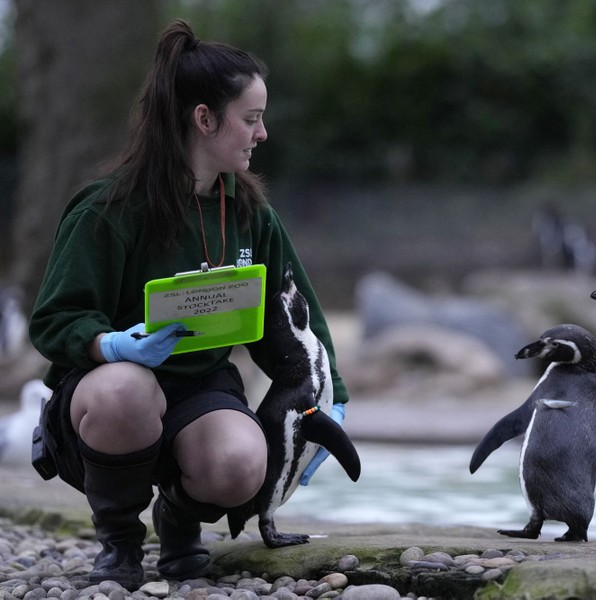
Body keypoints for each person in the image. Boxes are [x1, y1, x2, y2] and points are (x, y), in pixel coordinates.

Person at [28, 20, 348, 590]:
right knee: (126, 388)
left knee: (241, 465)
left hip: (200, 392)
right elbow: (55, 321)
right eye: (250, 119)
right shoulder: (109, 209)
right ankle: (120, 539)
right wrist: (113, 344)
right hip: (108, 403)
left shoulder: (251, 216)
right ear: (204, 119)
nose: (263, 133)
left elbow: (299, 325)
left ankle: (177, 520)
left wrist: (331, 402)